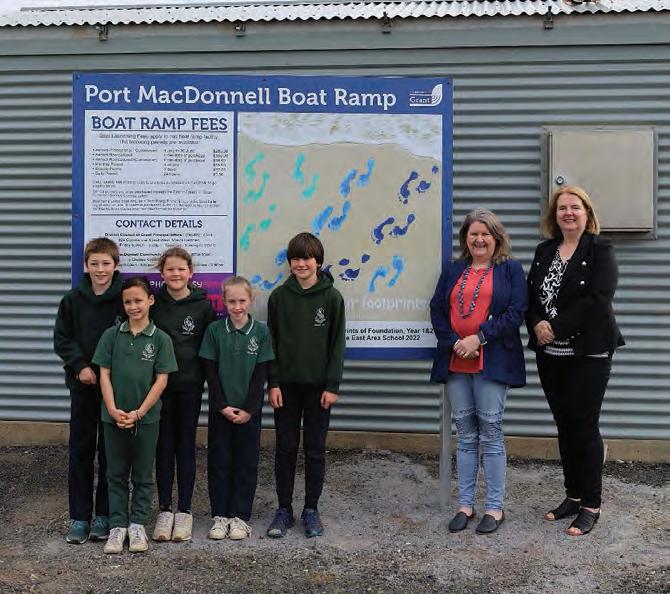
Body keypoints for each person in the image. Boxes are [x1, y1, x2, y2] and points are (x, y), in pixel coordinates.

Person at [526, 186, 624, 537]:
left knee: (584, 425)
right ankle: (573, 495)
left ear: (587, 212)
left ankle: (591, 504)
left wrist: (554, 326)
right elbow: (530, 297)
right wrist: (536, 324)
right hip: (551, 354)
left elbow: (599, 299)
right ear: (554, 216)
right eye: (562, 208)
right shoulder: (545, 250)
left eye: (575, 207)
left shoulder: (600, 249)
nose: (568, 212)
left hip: (588, 352)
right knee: (565, 424)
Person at [430, 208, 526, 535]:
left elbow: (516, 313)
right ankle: (465, 505)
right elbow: (437, 309)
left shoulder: (510, 269)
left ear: (496, 238)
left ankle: (495, 508)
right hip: (457, 360)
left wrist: (479, 338)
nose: (479, 240)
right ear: (465, 238)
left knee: (491, 433)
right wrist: (455, 343)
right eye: (474, 234)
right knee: (466, 435)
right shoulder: (453, 269)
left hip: (492, 361)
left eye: (485, 234)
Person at [265, 232, 346, 538]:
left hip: (318, 390)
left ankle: (311, 509)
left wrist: (332, 385)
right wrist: (273, 383)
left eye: (307, 258)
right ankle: (284, 510)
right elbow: (271, 344)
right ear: (289, 263)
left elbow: (337, 345)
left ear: (318, 262)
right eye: (296, 258)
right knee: (285, 448)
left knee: (315, 449)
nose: (301, 264)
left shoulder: (332, 298)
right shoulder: (279, 298)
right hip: (285, 388)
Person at [92, 277, 178, 554]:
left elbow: (161, 380)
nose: (133, 306)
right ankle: (117, 526)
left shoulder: (161, 339)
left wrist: (140, 412)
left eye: (138, 300)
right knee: (115, 474)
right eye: (127, 302)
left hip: (146, 419)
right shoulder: (111, 336)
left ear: (150, 300)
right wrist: (112, 408)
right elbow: (104, 375)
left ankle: (138, 524)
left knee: (142, 474)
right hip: (113, 417)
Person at [54, 237, 125, 545]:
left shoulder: (125, 298)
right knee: (81, 452)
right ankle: (80, 517)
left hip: (115, 388)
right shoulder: (72, 300)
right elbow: (62, 338)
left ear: (115, 265)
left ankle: (104, 515)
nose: (100, 269)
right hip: (82, 386)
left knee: (111, 452)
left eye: (106, 263)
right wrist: (80, 366)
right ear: (86, 266)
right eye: (94, 263)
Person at [199, 276, 274, 541]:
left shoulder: (261, 332)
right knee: (219, 461)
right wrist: (221, 406)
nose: (237, 306)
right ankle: (220, 515)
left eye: (242, 300)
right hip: (221, 411)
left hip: (248, 413)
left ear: (251, 300)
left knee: (246, 462)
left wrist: (249, 409)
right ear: (223, 301)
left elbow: (261, 374)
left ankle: (240, 517)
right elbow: (210, 373)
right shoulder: (214, 331)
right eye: (232, 301)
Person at [151, 247, 215, 543]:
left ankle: (185, 510)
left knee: (185, 446)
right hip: (159, 389)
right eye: (170, 269)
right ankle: (165, 509)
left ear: (190, 272)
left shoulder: (203, 308)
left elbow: (209, 350)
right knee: (163, 446)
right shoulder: (154, 305)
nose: (175, 274)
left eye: (181, 269)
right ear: (161, 273)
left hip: (190, 387)